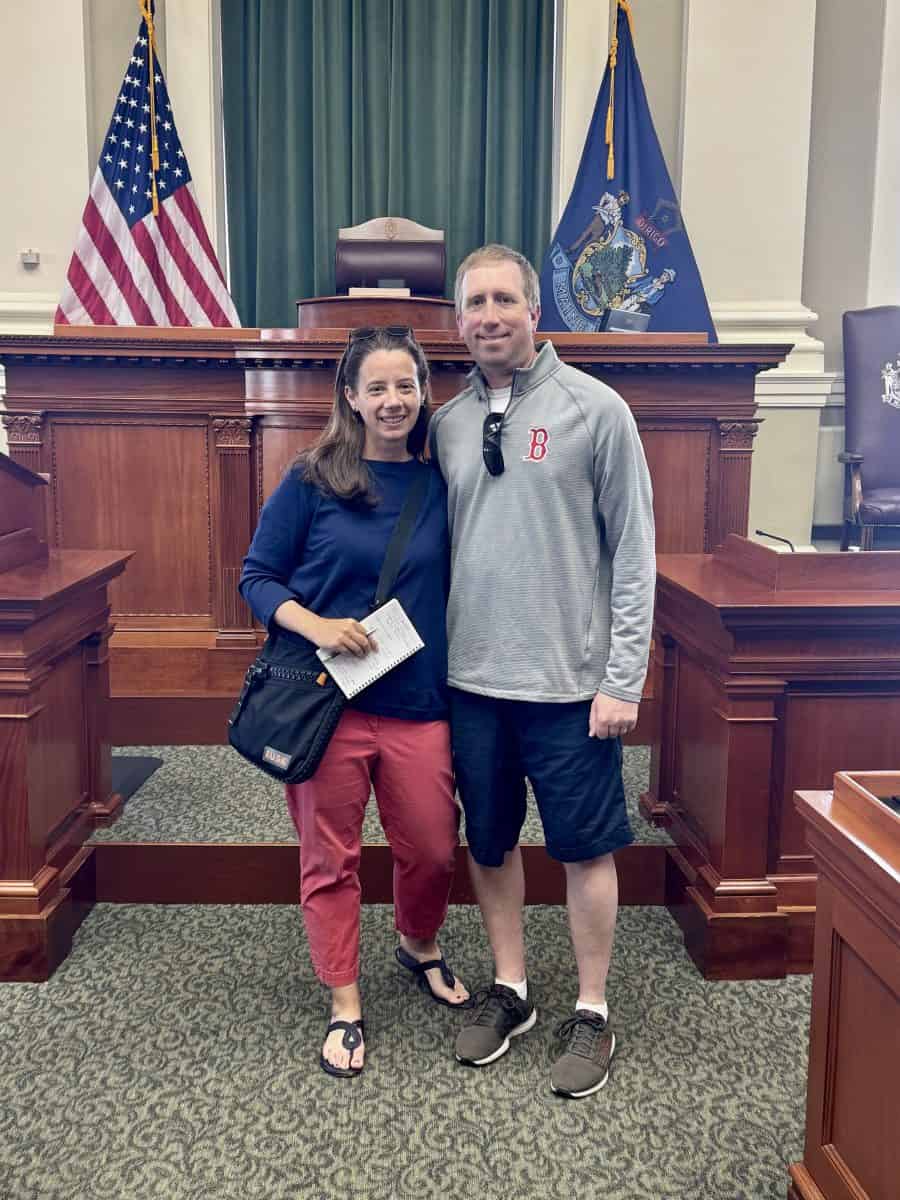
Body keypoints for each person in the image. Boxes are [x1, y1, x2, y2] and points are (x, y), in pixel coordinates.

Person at [429, 244, 655, 1099]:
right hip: (473, 684)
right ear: (459, 323)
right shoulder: (447, 423)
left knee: (585, 848)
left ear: (534, 309)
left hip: (571, 687)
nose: (487, 315)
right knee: (488, 840)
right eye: (472, 303)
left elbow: (634, 553)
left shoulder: (596, 410)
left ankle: (592, 1008)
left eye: (502, 299)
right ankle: (513, 989)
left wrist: (623, 677)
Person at [239, 326, 469, 1080]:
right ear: (351, 397)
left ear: (423, 393)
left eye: (405, 385)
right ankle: (344, 1000)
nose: (393, 400)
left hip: (416, 699)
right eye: (377, 387)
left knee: (433, 847)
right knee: (329, 858)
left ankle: (418, 943)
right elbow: (258, 577)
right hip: (328, 703)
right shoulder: (313, 478)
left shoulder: (442, 485)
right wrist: (318, 625)